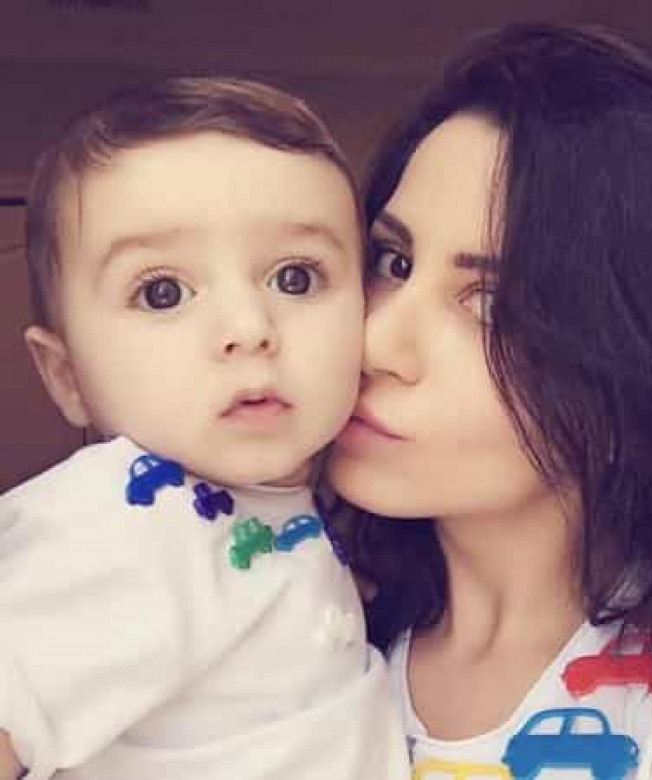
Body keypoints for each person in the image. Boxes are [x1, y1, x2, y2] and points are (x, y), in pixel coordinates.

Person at [327, 23, 652, 780]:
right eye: (393, 261)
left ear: (639, 369)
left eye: (490, 304)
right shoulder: (294, 635)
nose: (375, 342)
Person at [0, 77, 409, 780]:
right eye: (162, 292)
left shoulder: (292, 508)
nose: (248, 328)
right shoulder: (122, 521)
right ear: (67, 376)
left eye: (296, 278)